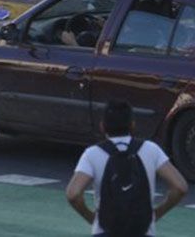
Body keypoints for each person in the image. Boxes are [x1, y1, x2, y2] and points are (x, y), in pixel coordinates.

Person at [66, 100, 188, 237]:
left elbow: (73, 194)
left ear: (102, 126)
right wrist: (156, 214)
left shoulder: (92, 154)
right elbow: (180, 187)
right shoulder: (151, 149)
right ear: (132, 125)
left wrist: (92, 218)